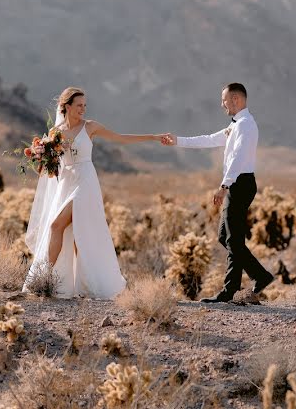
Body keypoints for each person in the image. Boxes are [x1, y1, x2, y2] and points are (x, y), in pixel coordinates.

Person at [23, 86, 167, 299]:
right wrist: (40, 157)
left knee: (58, 225)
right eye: (79, 105)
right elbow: (50, 171)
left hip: (85, 182)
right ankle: (64, 282)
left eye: (85, 105)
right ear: (67, 106)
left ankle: (51, 279)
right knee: (70, 231)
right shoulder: (56, 133)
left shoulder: (90, 127)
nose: (83, 109)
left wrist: (153, 137)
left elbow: (121, 138)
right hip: (66, 183)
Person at [161, 83, 273, 303]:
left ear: (236, 100)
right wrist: (178, 141)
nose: (222, 104)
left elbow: (238, 158)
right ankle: (247, 282)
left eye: (225, 100)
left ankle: (245, 283)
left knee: (232, 239)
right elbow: (209, 139)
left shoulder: (246, 125)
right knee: (227, 237)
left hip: (240, 183)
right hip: (237, 183)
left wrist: (224, 186)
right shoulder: (236, 125)